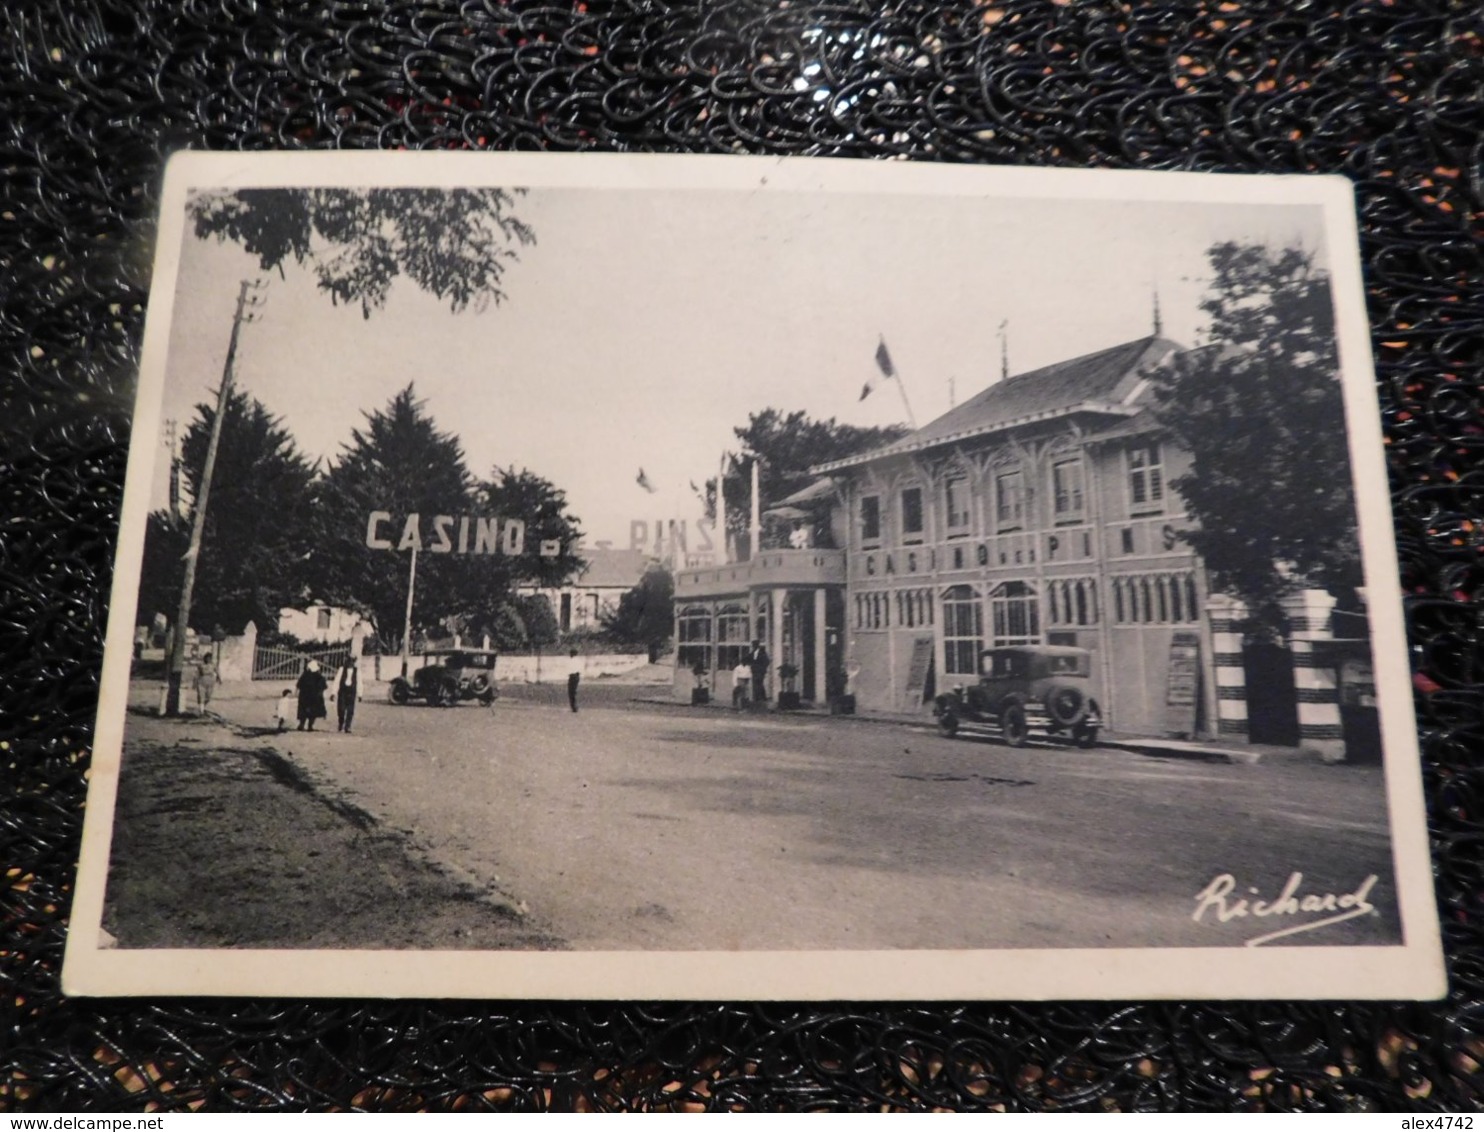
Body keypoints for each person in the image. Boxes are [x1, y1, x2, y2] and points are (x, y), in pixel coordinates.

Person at [295, 659, 328, 731]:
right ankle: (310, 725)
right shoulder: (319, 676)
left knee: (303, 711)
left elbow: (298, 685)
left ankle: (302, 724)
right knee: (313, 712)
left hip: (304, 696)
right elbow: (323, 686)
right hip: (315, 697)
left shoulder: (305, 675)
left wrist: (296, 693)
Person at [331, 656, 360, 733]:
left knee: (350, 710)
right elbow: (337, 681)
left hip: (352, 691)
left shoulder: (357, 671)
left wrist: (360, 694)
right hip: (343, 691)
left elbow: (359, 682)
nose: (350, 663)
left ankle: (348, 726)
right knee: (341, 709)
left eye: (352, 661)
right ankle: (341, 724)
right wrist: (333, 692)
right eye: (349, 661)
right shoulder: (341, 669)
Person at [566, 648, 583, 713]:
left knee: (571, 692)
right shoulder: (579, 661)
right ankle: (574, 707)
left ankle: (574, 707)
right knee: (573, 692)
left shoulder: (571, 661)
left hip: (572, 676)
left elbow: (569, 670)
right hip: (577, 676)